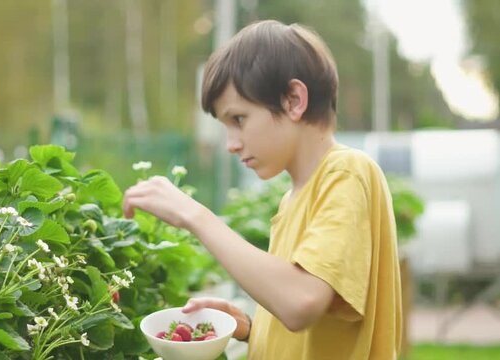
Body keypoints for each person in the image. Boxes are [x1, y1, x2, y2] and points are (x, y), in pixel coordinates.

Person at [122, 19, 401, 360]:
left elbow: (300, 301)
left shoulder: (346, 172)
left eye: (238, 119)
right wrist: (252, 328)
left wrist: (194, 215)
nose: (231, 144)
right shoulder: (293, 199)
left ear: (293, 100)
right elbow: (310, 318)